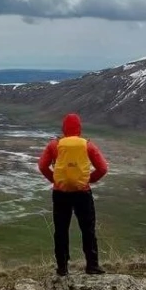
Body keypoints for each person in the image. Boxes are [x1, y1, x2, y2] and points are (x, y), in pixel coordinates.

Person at [37, 112, 108, 276]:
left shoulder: (54, 145)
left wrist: (55, 180)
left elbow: (42, 166)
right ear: (79, 129)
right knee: (88, 229)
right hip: (83, 193)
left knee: (61, 230)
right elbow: (103, 168)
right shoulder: (87, 145)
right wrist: (87, 180)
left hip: (60, 193)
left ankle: (62, 268)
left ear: (63, 128)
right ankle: (92, 265)